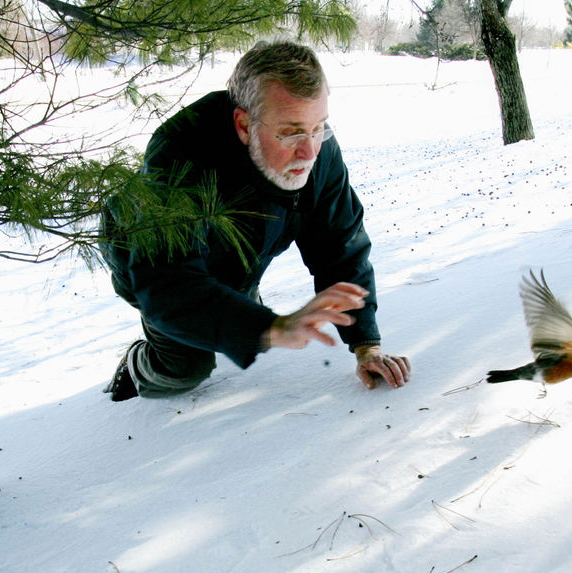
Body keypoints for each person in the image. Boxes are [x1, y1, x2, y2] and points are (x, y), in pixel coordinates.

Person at [101, 41, 410, 400]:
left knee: (245, 314)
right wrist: (273, 329)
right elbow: (168, 285)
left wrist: (366, 345)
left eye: (318, 127)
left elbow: (340, 245)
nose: (308, 151)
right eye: (291, 132)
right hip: (147, 262)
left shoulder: (319, 148)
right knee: (188, 366)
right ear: (244, 125)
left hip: (242, 250)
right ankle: (138, 366)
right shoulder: (180, 154)